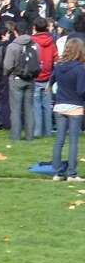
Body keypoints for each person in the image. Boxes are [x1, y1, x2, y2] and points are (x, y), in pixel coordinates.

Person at [50, 38, 85, 182]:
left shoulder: (59, 65)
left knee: (59, 140)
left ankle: (58, 173)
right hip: (75, 106)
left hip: (59, 105)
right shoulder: (80, 68)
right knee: (73, 142)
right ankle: (72, 174)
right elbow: (81, 90)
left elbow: (52, 81)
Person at [3, 20, 38, 140]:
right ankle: (30, 136)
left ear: (15, 32)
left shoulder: (12, 46)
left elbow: (7, 65)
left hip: (16, 78)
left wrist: (7, 74)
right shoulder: (35, 45)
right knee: (29, 108)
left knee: (16, 109)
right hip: (31, 79)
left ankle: (15, 136)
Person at [31, 17, 58, 138]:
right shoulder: (51, 42)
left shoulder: (31, 41)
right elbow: (56, 59)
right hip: (48, 77)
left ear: (35, 27)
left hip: (35, 76)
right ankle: (48, 131)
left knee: (36, 105)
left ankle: (37, 131)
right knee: (47, 106)